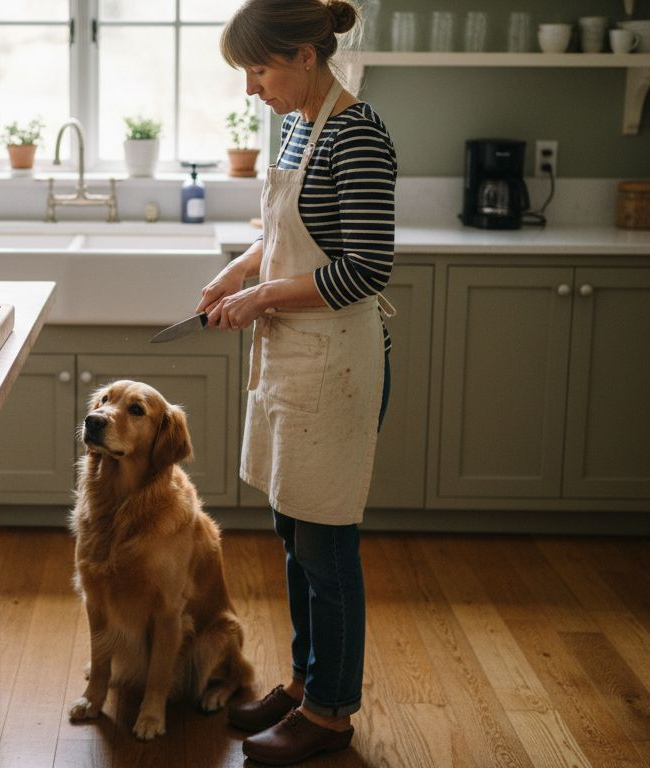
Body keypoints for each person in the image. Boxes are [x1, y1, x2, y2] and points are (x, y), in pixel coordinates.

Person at [197, 0, 396, 763]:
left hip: (338, 362)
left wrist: (261, 298)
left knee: (326, 542)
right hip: (293, 357)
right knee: (292, 532)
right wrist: (235, 273)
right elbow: (280, 234)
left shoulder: (357, 132)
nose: (252, 88)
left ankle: (332, 713)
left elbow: (367, 269)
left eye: (259, 69)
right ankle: (306, 682)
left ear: (306, 57)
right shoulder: (293, 125)